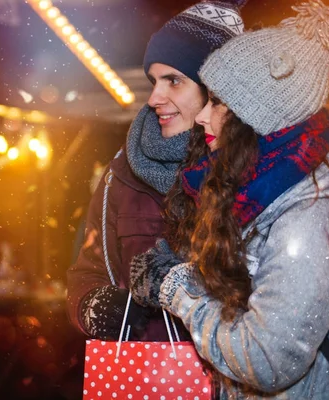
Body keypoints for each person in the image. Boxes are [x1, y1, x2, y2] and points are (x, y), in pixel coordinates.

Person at [130, 0, 329, 397]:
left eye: (217, 103)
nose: (203, 116)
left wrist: (177, 289)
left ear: (255, 117)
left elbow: (266, 358)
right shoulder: (266, 196)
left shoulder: (310, 213)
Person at [66, 0, 247, 341]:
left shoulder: (254, 172)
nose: (154, 97)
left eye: (174, 81)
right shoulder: (124, 173)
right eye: (154, 81)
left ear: (216, 92)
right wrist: (92, 306)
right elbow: (85, 272)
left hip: (234, 382)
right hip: (145, 376)